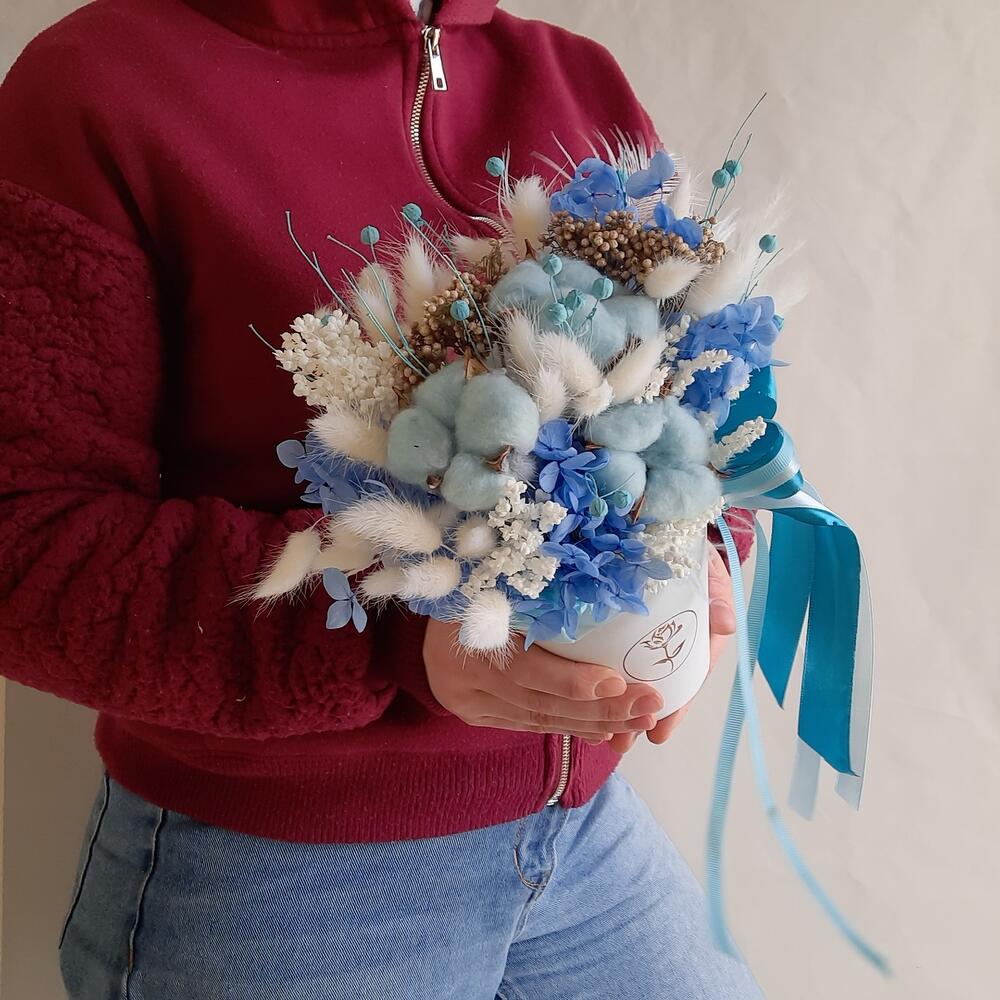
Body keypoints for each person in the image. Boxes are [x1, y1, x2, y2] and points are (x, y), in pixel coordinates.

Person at [0, 0, 759, 996]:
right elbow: (28, 538)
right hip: (278, 870)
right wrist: (400, 625)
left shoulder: (577, 80)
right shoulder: (98, 84)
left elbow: (700, 394)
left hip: (579, 836)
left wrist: (702, 546)